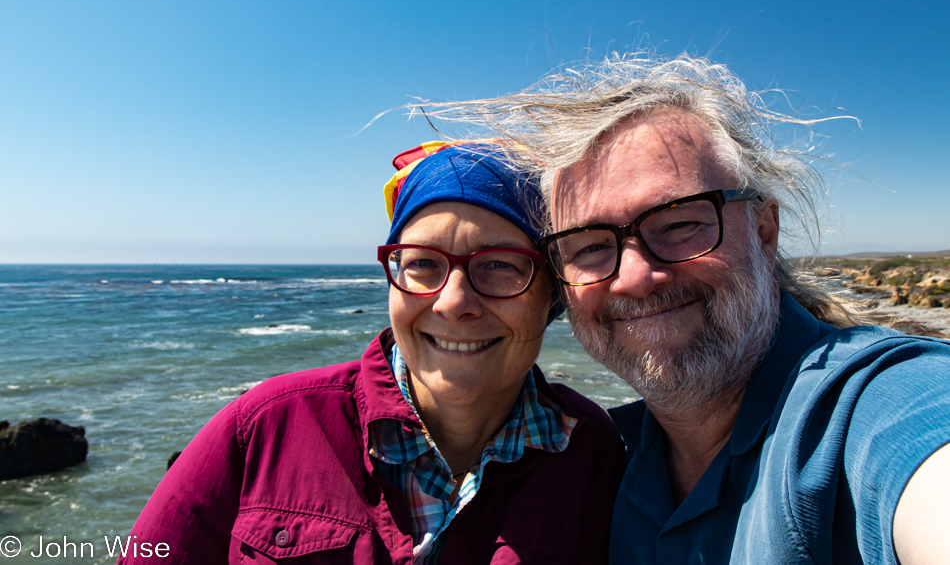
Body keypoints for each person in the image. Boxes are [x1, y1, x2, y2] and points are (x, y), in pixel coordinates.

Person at [421, 56, 950, 564]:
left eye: (679, 224)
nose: (633, 277)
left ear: (764, 231)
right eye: (589, 246)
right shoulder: (610, 457)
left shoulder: (866, 409)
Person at [118, 141, 625, 565]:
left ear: (552, 297)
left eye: (500, 266)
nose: (454, 303)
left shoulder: (590, 449)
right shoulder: (264, 426)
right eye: (423, 263)